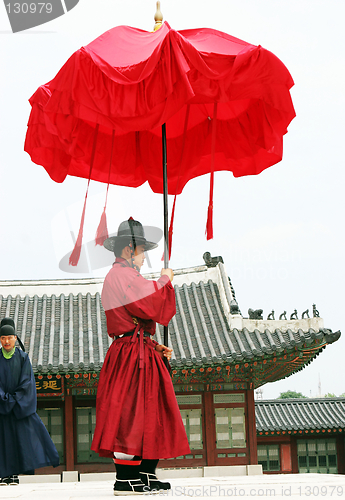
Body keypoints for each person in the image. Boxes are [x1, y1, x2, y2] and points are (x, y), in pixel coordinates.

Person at [91, 218, 190, 495]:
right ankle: (126, 477)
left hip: (140, 349)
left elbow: (139, 318)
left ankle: (145, 473)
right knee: (131, 413)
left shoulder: (124, 275)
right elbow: (147, 302)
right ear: (128, 250)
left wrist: (154, 345)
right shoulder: (122, 275)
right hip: (131, 355)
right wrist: (165, 279)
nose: (144, 257)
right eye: (141, 250)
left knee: (151, 412)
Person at [0, 318, 60, 485]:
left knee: (19, 441)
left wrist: (13, 400)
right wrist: (4, 399)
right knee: (4, 443)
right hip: (2, 408)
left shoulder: (23, 358)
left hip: (17, 407)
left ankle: (14, 475)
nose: (6, 341)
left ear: (15, 338)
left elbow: (27, 383)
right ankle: (4, 475)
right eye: (3, 338)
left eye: (9, 337)